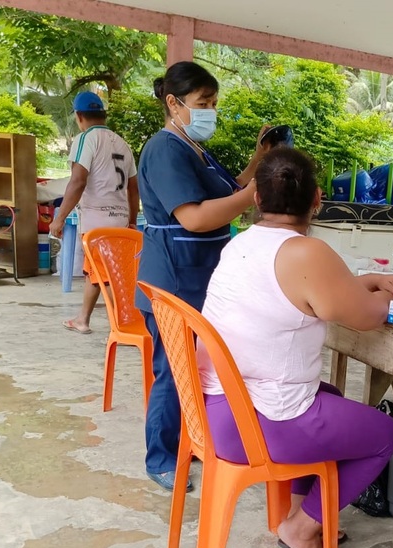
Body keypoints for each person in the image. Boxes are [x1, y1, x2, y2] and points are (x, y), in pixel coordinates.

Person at [196, 147, 393, 548]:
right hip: (258, 427)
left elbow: (315, 289)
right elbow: (367, 317)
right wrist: (391, 293)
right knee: (383, 433)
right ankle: (303, 528)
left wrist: (367, 280)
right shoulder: (308, 251)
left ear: (257, 198)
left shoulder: (239, 244)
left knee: (329, 394)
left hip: (215, 412)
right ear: (317, 199)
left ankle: (299, 511)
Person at [135, 61, 270, 492]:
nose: (210, 110)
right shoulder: (164, 149)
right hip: (174, 278)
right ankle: (160, 458)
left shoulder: (193, 147)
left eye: (213, 103)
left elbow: (230, 192)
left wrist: (258, 162)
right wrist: (254, 194)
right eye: (203, 103)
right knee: (174, 371)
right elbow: (194, 217)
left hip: (201, 278)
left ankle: (191, 441)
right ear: (174, 103)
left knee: (198, 370)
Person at [50, 91, 139, 335]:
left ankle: (124, 325)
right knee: (97, 272)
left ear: (79, 116)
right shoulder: (122, 143)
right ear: (103, 114)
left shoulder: (86, 139)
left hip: (97, 223)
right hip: (119, 219)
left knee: (106, 276)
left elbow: (78, 181)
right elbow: (133, 188)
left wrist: (59, 218)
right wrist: (132, 220)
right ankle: (83, 319)